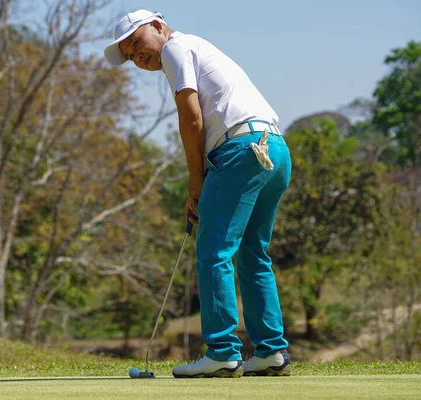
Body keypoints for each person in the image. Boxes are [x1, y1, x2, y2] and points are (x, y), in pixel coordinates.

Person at [104, 9, 292, 378]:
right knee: (252, 253)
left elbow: (191, 118)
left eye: (137, 44)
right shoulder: (196, 48)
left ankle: (223, 351)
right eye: (129, 56)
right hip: (274, 149)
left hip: (241, 149)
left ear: (158, 26)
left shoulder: (176, 47)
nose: (137, 57)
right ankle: (271, 352)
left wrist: (196, 180)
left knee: (213, 250)